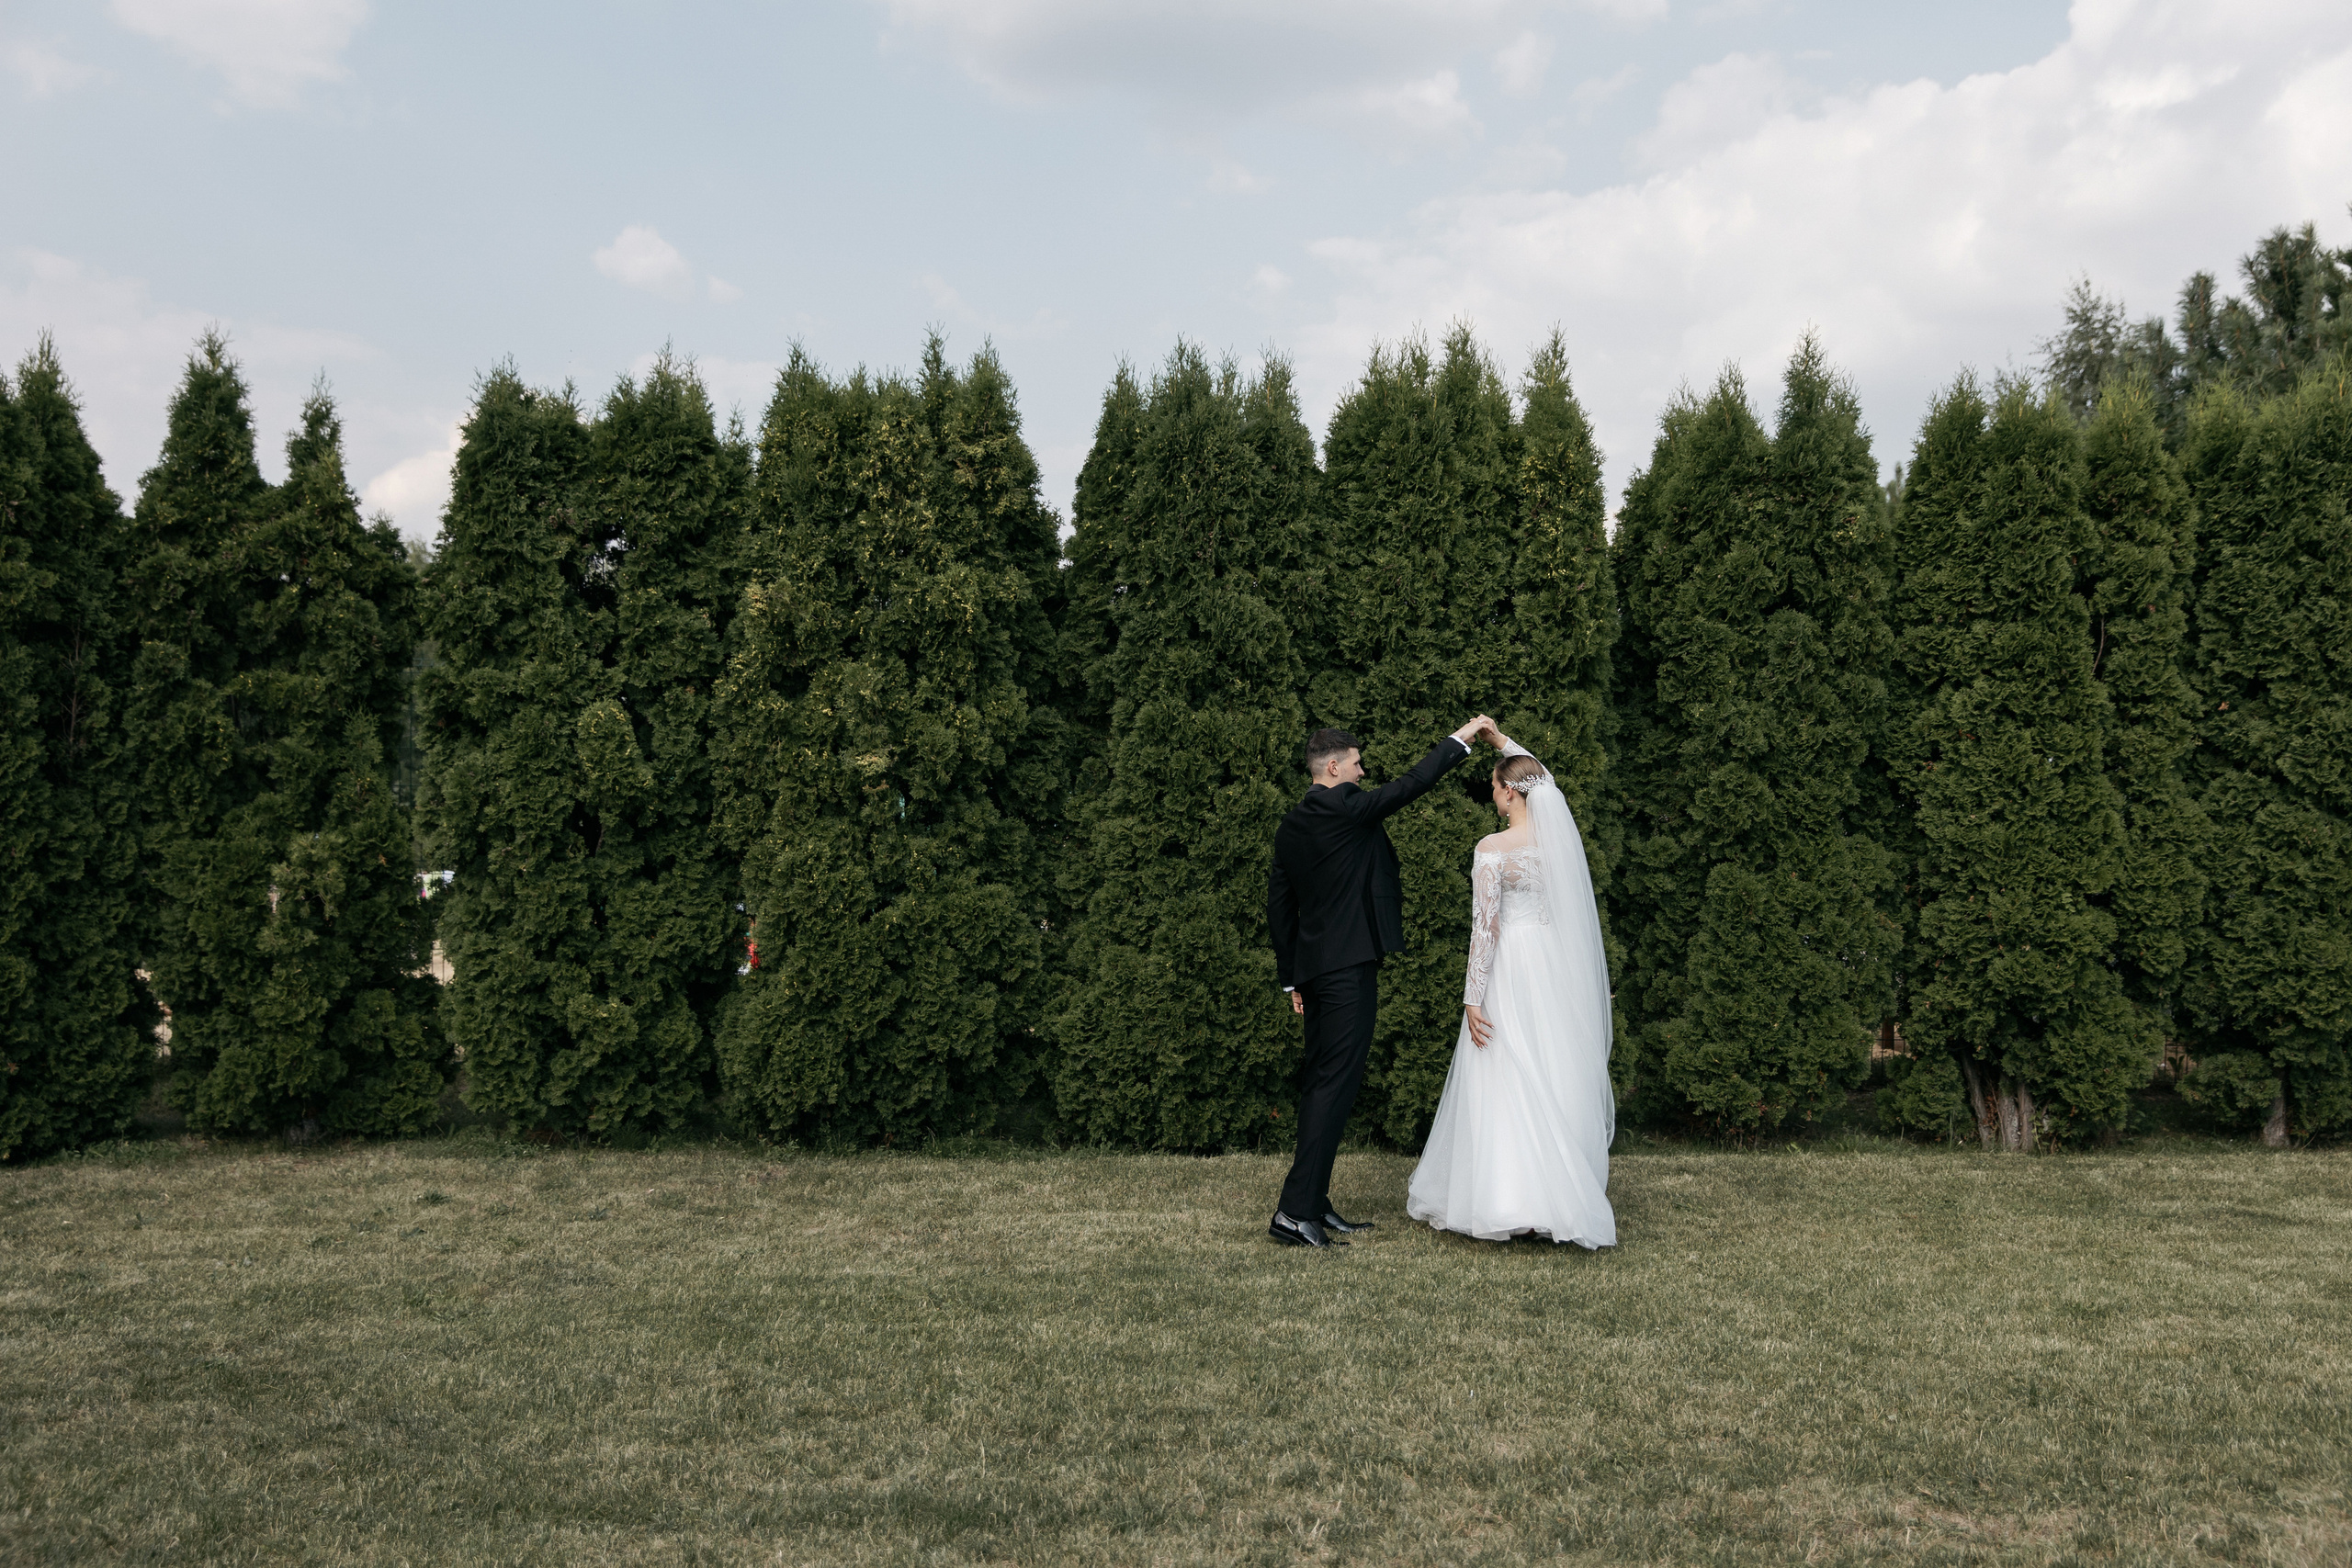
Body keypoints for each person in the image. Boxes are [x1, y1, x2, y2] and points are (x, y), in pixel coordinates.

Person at [1265, 715, 1495, 1248]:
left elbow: (1280, 905)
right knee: (1333, 1085)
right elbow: (1410, 785)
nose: (1363, 772)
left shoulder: (1292, 823)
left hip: (1316, 973)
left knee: (1326, 1083)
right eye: (1357, 763)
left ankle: (1313, 1203)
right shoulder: (1344, 806)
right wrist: (1461, 739)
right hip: (1347, 970)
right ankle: (1293, 1213)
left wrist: (1292, 979)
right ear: (1333, 767)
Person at [1406, 722, 1616, 1247]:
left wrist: (1472, 997)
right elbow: (1543, 779)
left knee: (1503, 1068)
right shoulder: (1556, 842)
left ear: (1508, 793)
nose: (1492, 794)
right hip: (1551, 966)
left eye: (1495, 786)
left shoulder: (1492, 848)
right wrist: (1500, 741)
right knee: (1550, 1065)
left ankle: (1510, 1199)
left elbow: (1486, 928)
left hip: (1509, 967)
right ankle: (1554, 1197)